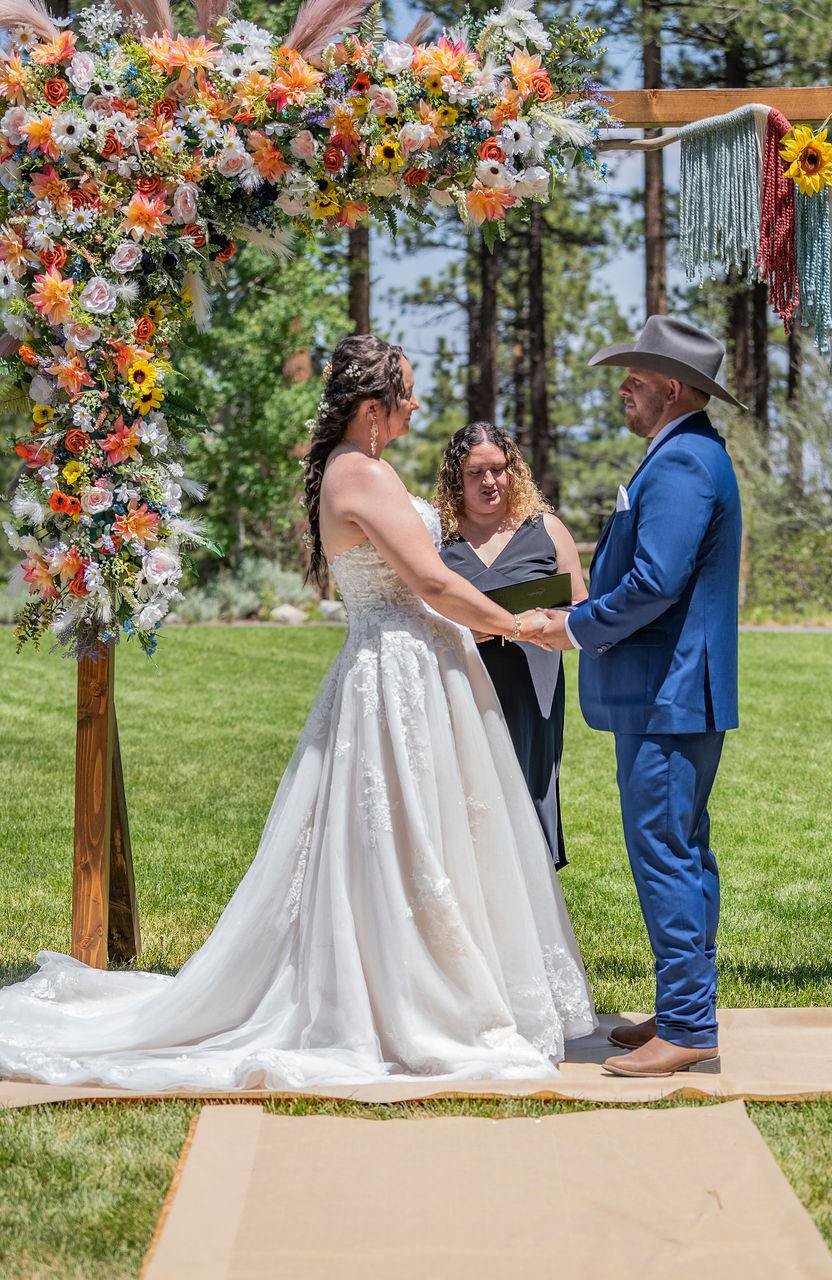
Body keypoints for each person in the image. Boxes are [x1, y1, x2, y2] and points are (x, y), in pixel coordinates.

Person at [0, 334, 596, 1090]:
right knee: (400, 838)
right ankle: (407, 997)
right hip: (400, 673)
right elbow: (433, 586)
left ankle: (427, 979)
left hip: (412, 667)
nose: (416, 406)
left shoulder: (362, 468)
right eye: (406, 394)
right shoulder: (361, 475)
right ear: (374, 410)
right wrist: (529, 625)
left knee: (424, 836)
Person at [539, 315, 742, 1078]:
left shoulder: (683, 462)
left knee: (665, 853)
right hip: (676, 693)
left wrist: (574, 628)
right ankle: (684, 1005)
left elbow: (656, 582)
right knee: (684, 852)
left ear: (672, 387)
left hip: (670, 695)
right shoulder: (685, 455)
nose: (622, 385)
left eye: (634, 374)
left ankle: (689, 1026)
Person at [436, 423, 586, 870]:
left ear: (513, 470)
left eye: (498, 470)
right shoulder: (437, 538)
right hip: (460, 682)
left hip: (531, 687)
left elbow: (581, 610)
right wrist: (463, 628)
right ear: (455, 478)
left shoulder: (548, 530)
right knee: (463, 791)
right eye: (475, 472)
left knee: (526, 783)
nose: (489, 482)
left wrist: (543, 620)